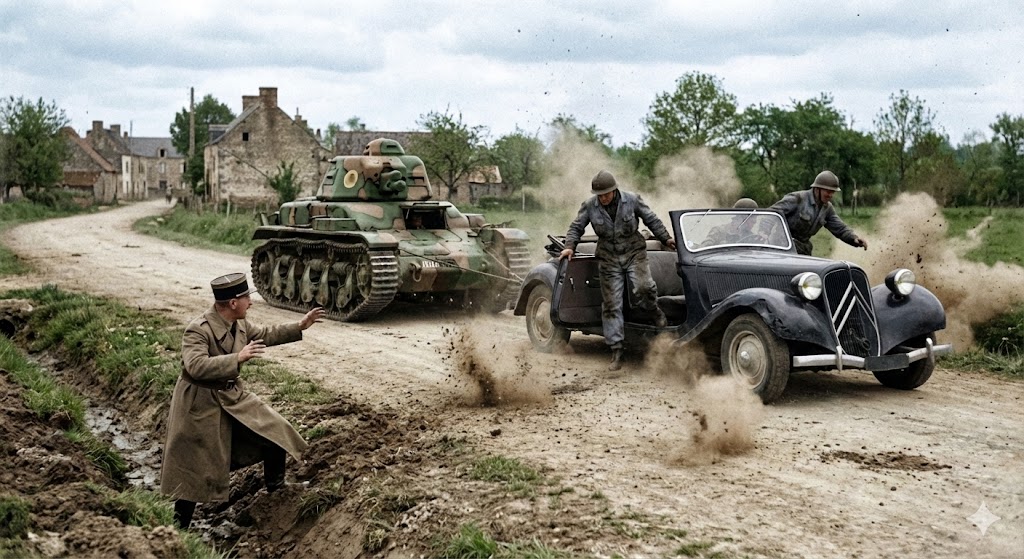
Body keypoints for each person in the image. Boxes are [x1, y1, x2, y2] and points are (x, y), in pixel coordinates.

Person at [160, 272, 326, 529]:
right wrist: (237, 358)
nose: (251, 301)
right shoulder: (198, 329)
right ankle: (178, 529)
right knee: (194, 466)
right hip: (199, 403)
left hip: (232, 395)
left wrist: (300, 326)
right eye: (247, 297)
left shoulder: (240, 324)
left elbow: (267, 334)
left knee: (274, 428)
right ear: (233, 303)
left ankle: (276, 489)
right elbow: (195, 366)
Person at [559, 170, 676, 371]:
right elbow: (577, 226)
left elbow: (651, 219)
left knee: (644, 287)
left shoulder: (632, 200)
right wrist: (569, 245)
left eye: (606, 193)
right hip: (608, 257)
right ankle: (616, 350)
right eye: (599, 195)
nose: (603, 198)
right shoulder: (590, 206)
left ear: (614, 190)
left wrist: (666, 239)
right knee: (612, 304)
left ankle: (653, 311)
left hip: (634, 252)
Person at [770, 170, 868, 256]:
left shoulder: (827, 209)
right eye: (828, 191)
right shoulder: (797, 199)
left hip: (803, 249)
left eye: (833, 192)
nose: (830, 195)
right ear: (817, 189)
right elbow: (771, 214)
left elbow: (840, 228)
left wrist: (854, 238)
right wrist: (762, 234)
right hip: (782, 247)